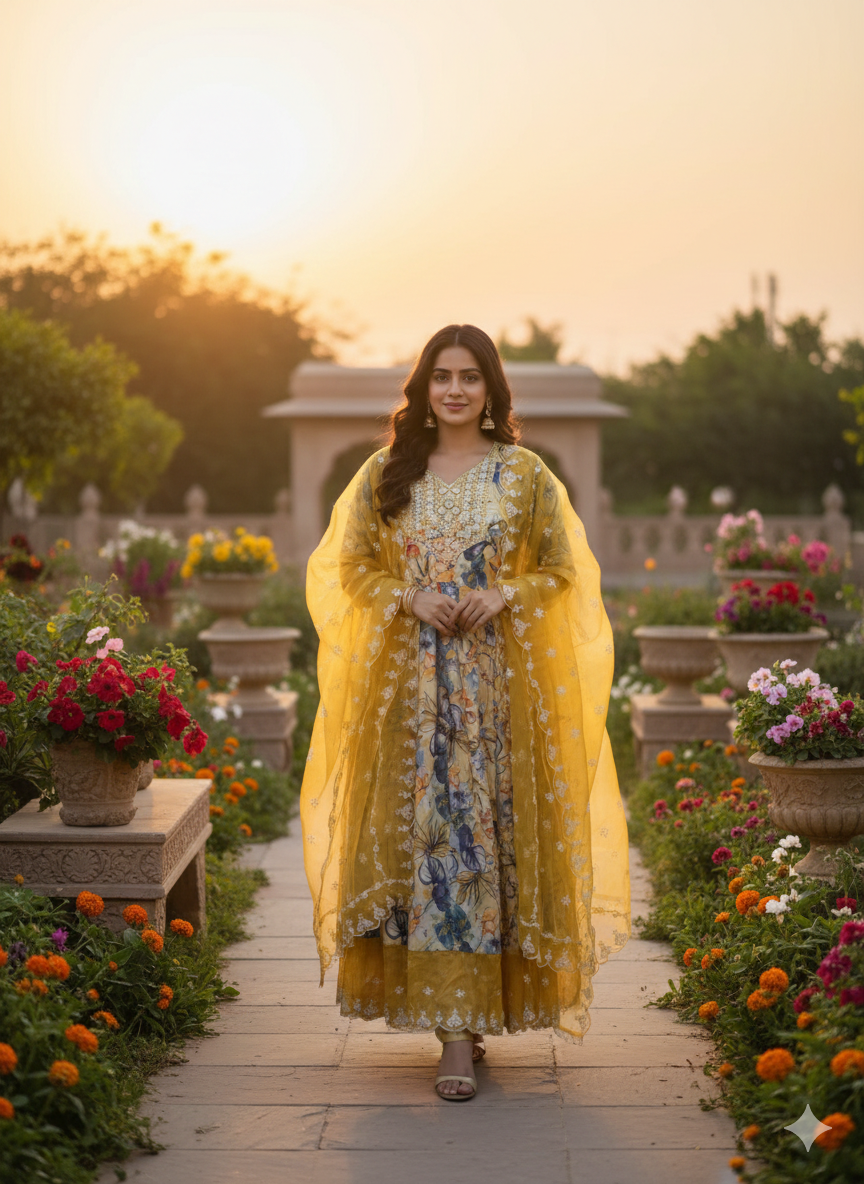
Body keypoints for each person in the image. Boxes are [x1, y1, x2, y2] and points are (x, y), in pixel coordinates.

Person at [300, 324, 630, 1101]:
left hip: (498, 697)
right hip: (409, 699)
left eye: (470, 377)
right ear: (422, 389)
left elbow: (561, 569)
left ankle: (469, 1017)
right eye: (441, 377)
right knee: (434, 845)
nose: (454, 390)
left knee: (488, 848)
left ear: (491, 390)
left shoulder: (524, 475)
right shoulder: (389, 473)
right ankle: (453, 1028)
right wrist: (405, 596)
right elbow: (347, 568)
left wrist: (501, 594)